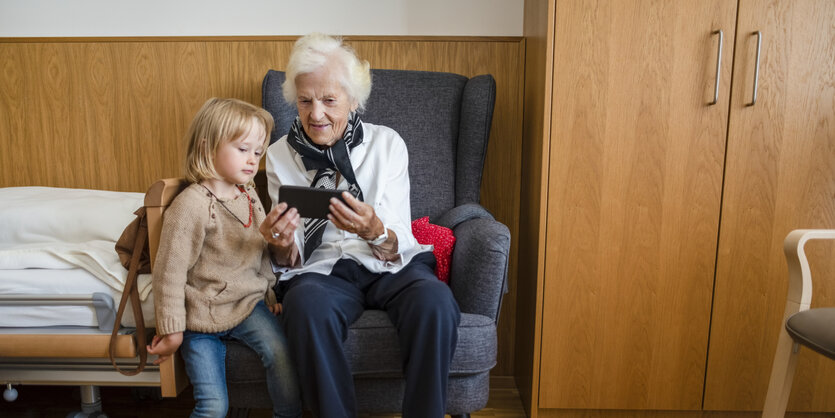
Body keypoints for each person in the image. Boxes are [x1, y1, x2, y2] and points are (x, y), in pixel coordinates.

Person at [260, 33, 461, 418]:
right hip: (323, 272)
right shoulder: (279, 154)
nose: (316, 114)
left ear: (354, 101)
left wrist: (376, 230)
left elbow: (399, 233)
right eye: (305, 101)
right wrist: (281, 243)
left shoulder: (388, 145)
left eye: (330, 100)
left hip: (390, 265)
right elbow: (291, 254)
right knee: (305, 306)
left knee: (435, 303)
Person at [148, 97, 302, 418]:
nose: (252, 160)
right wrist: (172, 330)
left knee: (283, 357)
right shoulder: (190, 205)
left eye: (257, 152)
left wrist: (270, 292)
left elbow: (259, 252)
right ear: (208, 147)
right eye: (243, 149)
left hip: (247, 306)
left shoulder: (248, 194)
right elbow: (169, 272)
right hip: (200, 319)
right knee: (213, 405)